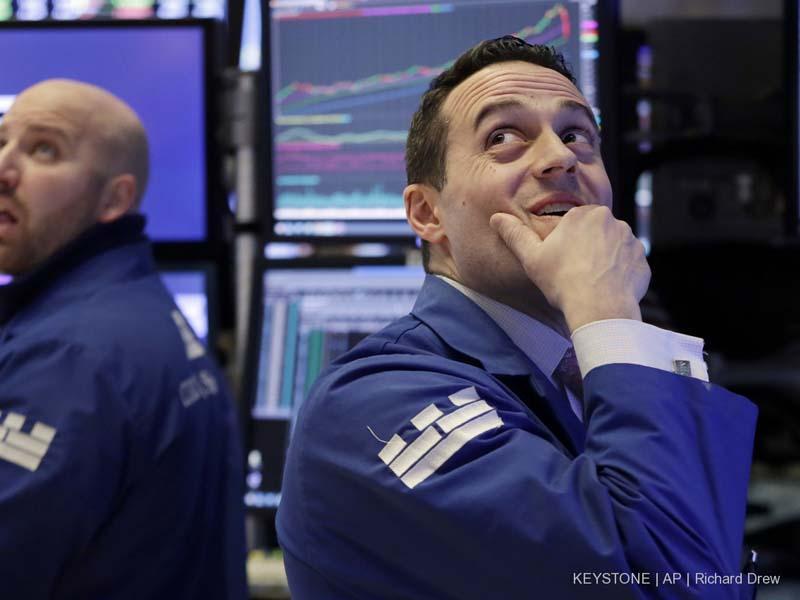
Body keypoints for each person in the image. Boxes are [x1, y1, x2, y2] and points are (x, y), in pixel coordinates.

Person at [276, 37, 758, 599]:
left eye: (576, 135)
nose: (561, 156)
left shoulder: (593, 373)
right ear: (428, 213)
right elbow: (660, 585)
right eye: (502, 137)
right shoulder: (370, 404)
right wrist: (609, 314)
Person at [0, 79, 247, 598]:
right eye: (2, 142)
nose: (4, 169)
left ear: (115, 199)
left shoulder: (68, 357)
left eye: (44, 150)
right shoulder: (138, 306)